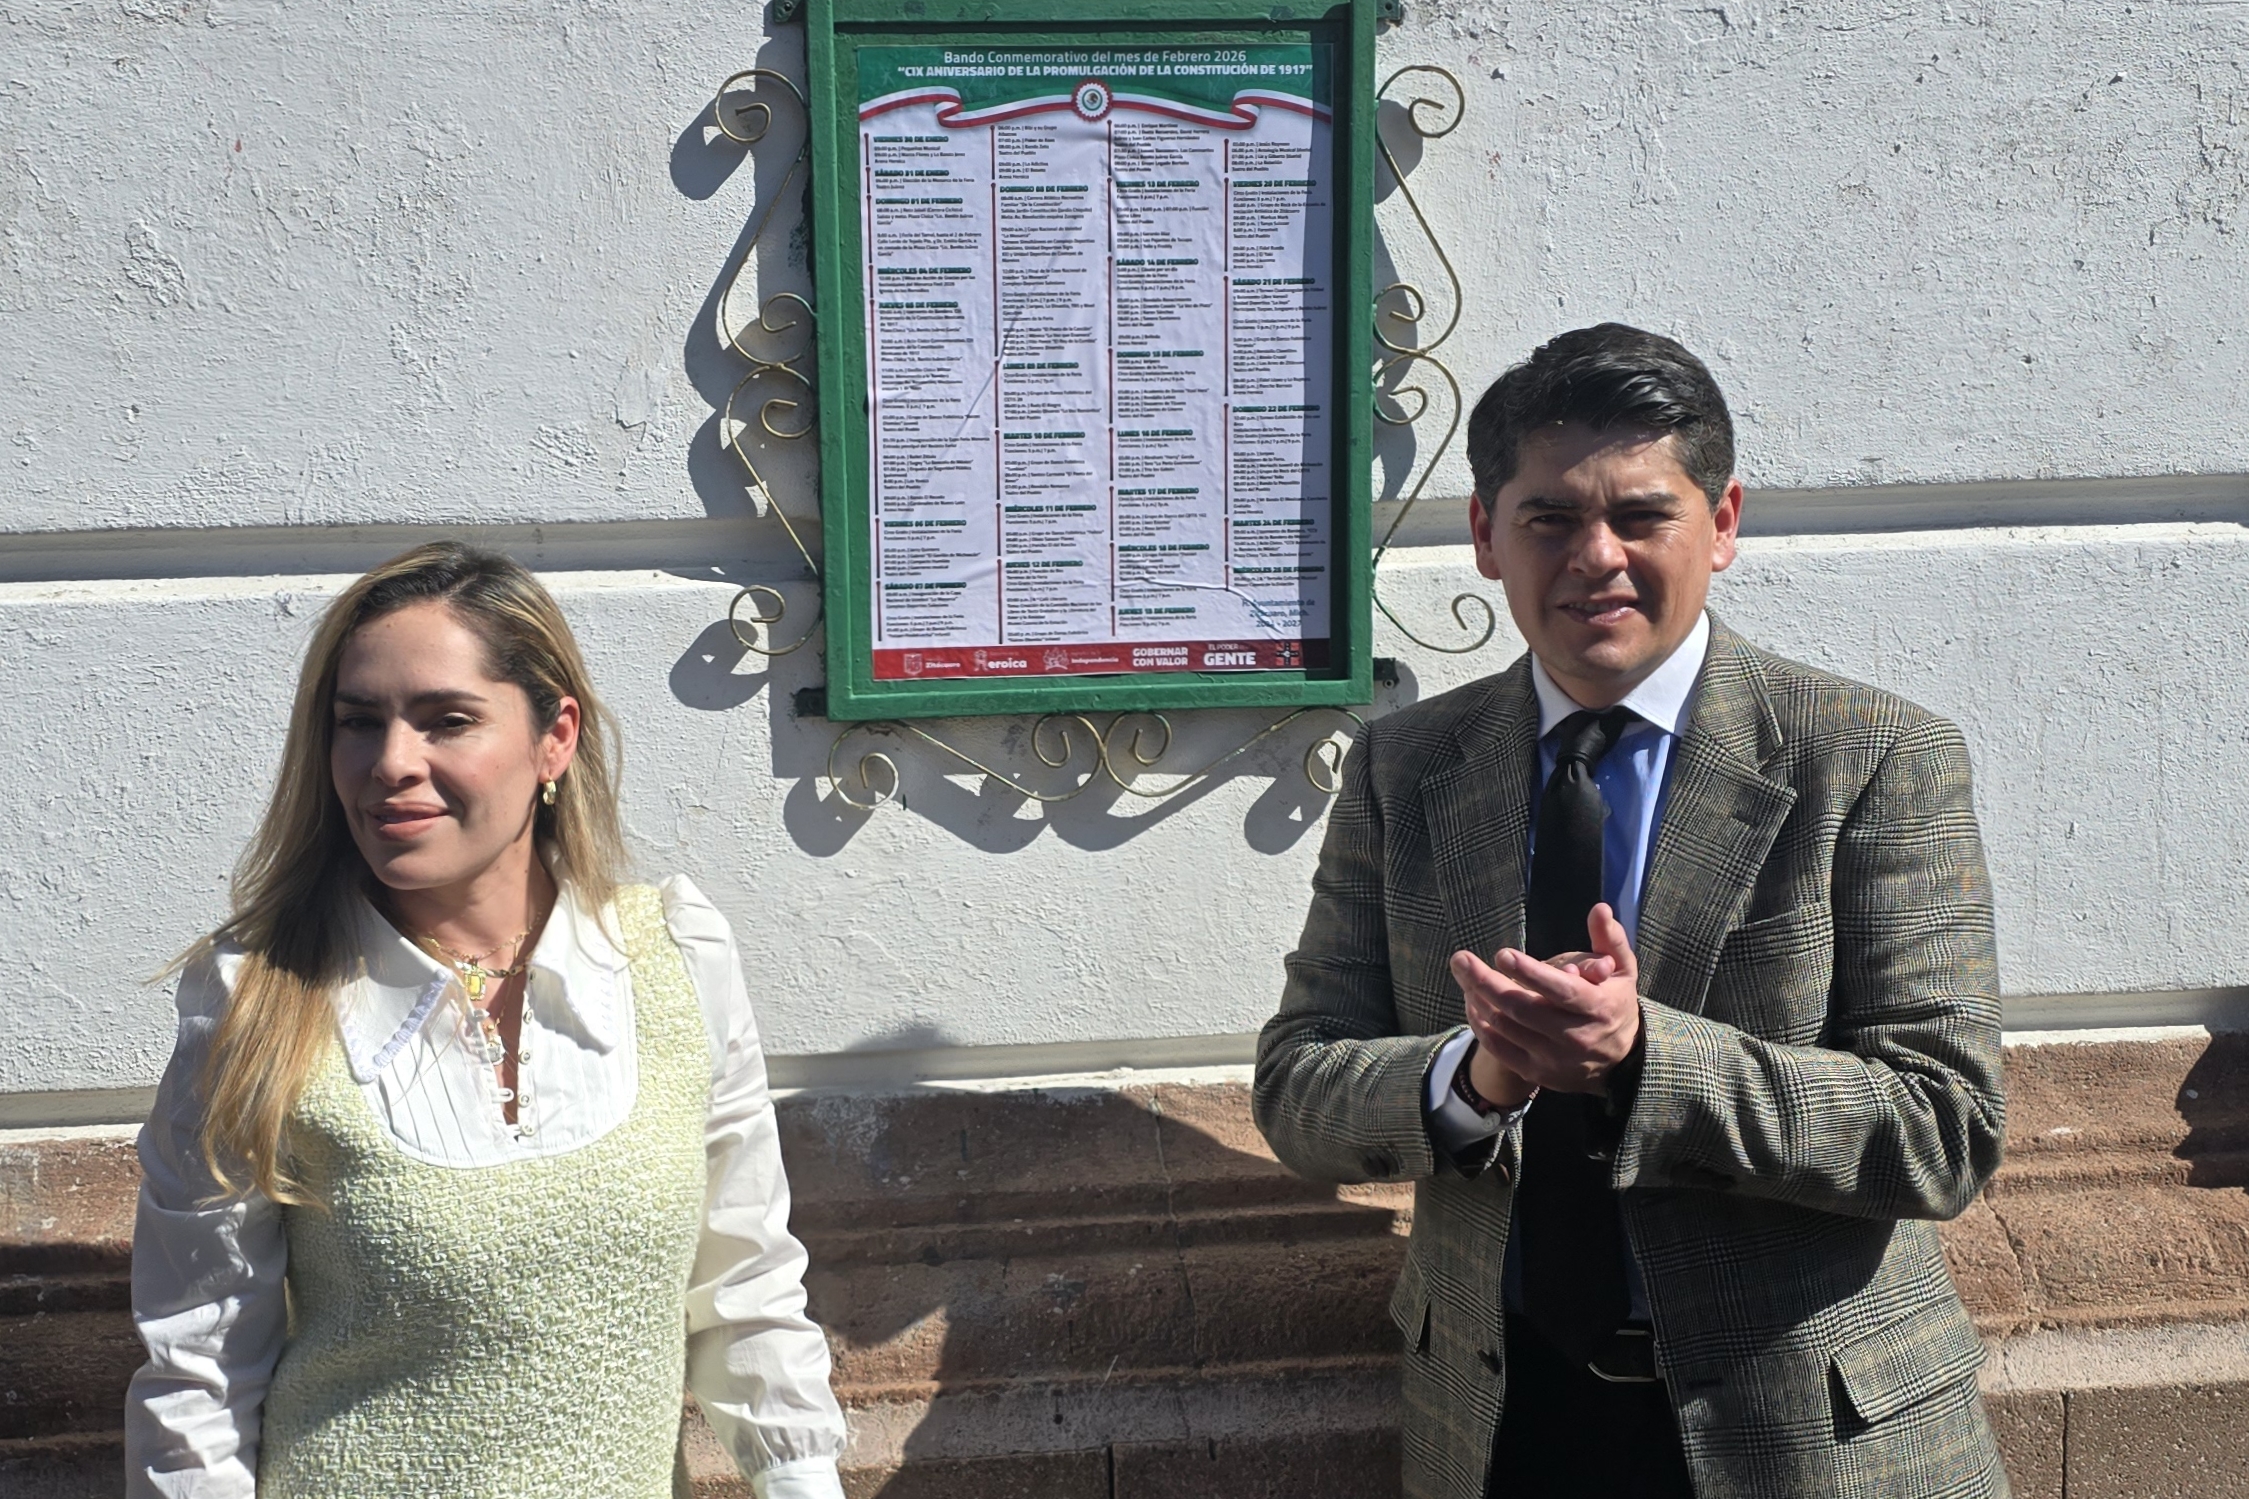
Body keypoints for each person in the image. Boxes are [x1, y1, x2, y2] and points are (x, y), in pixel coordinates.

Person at [1253, 324, 2006, 1498]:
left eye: (1641, 515)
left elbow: (1942, 1125)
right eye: (1549, 517)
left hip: (1808, 1436)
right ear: (1485, 535)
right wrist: (1473, 1075)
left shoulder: (1870, 757)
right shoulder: (1406, 768)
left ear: (1722, 521)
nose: (1594, 556)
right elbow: (1298, 1086)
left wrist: (1645, 1056)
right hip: (1502, 1424)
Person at [126, 543, 848, 1499]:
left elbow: (746, 1289)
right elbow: (200, 1373)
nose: (391, 763)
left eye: (447, 720)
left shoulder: (675, 958)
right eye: (359, 722)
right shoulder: (259, 999)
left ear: (555, 738)